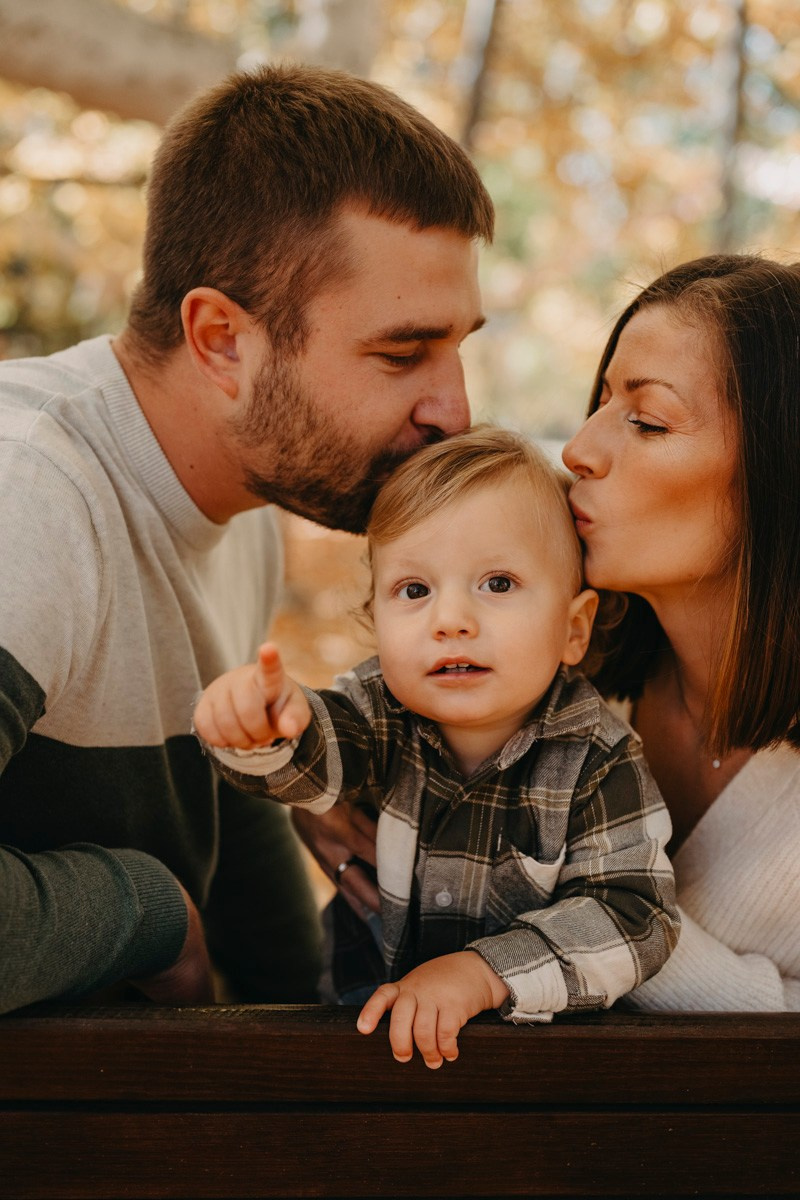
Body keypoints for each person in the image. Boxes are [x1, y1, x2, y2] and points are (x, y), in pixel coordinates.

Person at [0, 63, 494, 1015]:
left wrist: (298, 787)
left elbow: (219, 845)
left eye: (458, 346)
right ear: (222, 339)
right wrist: (144, 913)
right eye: (402, 353)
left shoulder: (242, 510)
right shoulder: (30, 494)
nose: (455, 409)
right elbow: (172, 900)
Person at [194, 427, 680, 1068]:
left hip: (538, 1063)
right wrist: (262, 730)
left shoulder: (596, 759)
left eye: (498, 584)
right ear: (376, 619)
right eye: (415, 591)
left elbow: (636, 913)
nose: (450, 619)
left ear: (573, 628)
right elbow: (320, 756)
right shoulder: (380, 714)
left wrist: (483, 972)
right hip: (360, 1034)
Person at [562, 253, 800, 1011]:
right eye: (601, 405)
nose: (579, 450)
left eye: (648, 420)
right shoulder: (567, 678)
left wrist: (593, 906)